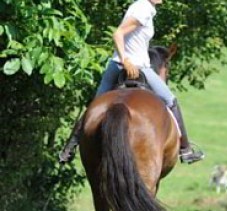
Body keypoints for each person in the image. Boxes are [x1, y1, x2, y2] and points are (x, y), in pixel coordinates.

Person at [59, 0, 204, 164]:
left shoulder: (143, 7)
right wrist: (126, 60)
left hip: (116, 65)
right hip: (137, 66)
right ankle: (185, 150)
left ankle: (68, 149)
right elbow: (118, 34)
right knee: (171, 100)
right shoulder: (143, 9)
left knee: (95, 104)